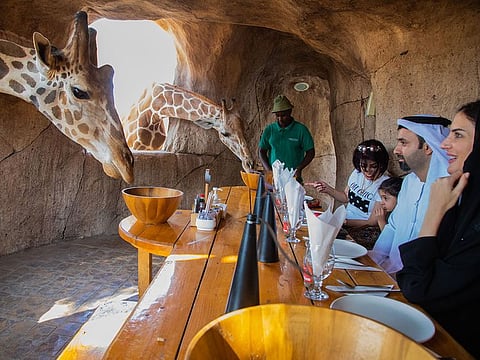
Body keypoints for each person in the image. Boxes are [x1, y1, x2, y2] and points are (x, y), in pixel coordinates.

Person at [396, 100, 480, 357]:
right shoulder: (466, 200)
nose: (445, 144)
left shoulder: (449, 198)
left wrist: (435, 211)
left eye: (458, 135)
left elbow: (418, 287)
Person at [369, 115, 451, 275]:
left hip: (420, 281)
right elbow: (393, 227)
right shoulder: (408, 182)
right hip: (389, 272)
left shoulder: (448, 187)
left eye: (404, 143)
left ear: (427, 146)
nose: (396, 150)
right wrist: (373, 262)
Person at [306, 139, 390, 231]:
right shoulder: (357, 173)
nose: (368, 171)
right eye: (363, 166)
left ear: (381, 164)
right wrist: (327, 189)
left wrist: (344, 222)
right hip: (344, 220)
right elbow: (346, 197)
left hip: (362, 228)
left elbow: (372, 222)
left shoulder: (384, 184)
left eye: (373, 166)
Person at [258, 95, 315, 184]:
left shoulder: (301, 130)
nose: (280, 119)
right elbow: (262, 151)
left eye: (283, 115)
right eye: (277, 115)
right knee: (272, 197)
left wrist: (299, 168)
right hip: (274, 178)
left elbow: (310, 152)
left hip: (293, 177)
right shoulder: (270, 130)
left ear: (290, 111)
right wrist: (269, 171)